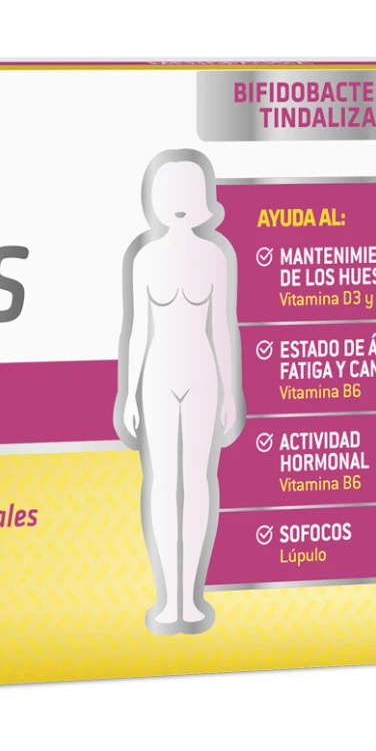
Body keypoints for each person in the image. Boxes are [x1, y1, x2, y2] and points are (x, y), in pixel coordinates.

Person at [116, 150, 245, 634]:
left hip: (203, 376)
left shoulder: (214, 257)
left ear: (202, 199)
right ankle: (168, 598)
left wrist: (230, 392)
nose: (178, 202)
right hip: (157, 375)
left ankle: (191, 598)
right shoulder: (145, 259)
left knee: (197, 482)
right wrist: (129, 394)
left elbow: (223, 328)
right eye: (169, 192)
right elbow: (136, 331)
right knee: (161, 483)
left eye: (188, 192)